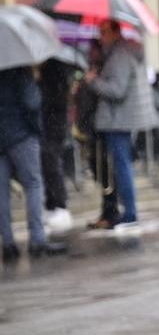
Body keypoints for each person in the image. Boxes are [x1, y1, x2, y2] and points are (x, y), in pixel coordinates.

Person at [85, 20, 154, 230]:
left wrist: (93, 82)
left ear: (116, 32)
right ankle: (127, 211)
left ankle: (130, 213)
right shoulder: (120, 53)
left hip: (117, 120)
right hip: (121, 118)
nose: (101, 36)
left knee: (121, 166)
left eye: (105, 31)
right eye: (100, 32)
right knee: (120, 166)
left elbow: (117, 90)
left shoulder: (120, 56)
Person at [0, 65, 67, 261]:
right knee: (34, 184)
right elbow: (32, 102)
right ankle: (37, 239)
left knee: (2, 192)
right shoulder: (19, 70)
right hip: (22, 136)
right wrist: (35, 129)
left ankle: (8, 243)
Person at [78, 42, 119, 230]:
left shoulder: (103, 72)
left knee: (105, 173)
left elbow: (108, 93)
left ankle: (111, 212)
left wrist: (92, 82)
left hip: (99, 128)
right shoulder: (91, 71)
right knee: (99, 171)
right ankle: (107, 211)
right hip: (90, 127)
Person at [39, 56, 76, 233]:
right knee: (47, 165)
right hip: (50, 125)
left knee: (52, 164)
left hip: (53, 126)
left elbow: (54, 99)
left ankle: (59, 204)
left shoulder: (54, 72)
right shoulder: (50, 71)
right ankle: (52, 204)